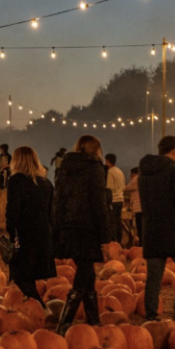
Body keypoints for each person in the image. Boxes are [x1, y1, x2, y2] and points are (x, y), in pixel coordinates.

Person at [53, 135, 109, 333]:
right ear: (96, 150)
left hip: (69, 227)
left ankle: (94, 322)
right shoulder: (94, 169)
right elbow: (98, 204)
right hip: (87, 229)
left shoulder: (64, 169)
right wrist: (104, 236)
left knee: (87, 273)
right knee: (83, 276)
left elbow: (57, 200)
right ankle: (63, 325)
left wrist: (58, 228)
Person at [139, 136, 175, 324]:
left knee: (154, 276)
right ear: (174, 151)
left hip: (152, 230)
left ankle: (151, 316)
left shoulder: (144, 174)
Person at [5, 147, 55, 305]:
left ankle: (40, 307)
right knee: (30, 273)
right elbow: (51, 211)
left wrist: (12, 234)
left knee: (19, 274)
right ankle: (38, 308)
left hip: (26, 233)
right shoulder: (46, 183)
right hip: (44, 233)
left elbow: (13, 209)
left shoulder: (16, 180)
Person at [104, 153, 125, 243]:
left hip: (113, 200)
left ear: (108, 161)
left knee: (112, 222)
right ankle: (119, 239)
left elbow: (109, 187)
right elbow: (123, 186)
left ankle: (114, 241)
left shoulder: (110, 171)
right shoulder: (120, 171)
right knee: (118, 221)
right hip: (120, 199)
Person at [125, 167, 142, 244]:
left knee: (139, 227)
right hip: (141, 206)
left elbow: (126, 188)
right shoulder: (141, 179)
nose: (130, 176)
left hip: (138, 207)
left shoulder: (136, 180)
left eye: (131, 174)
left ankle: (140, 245)